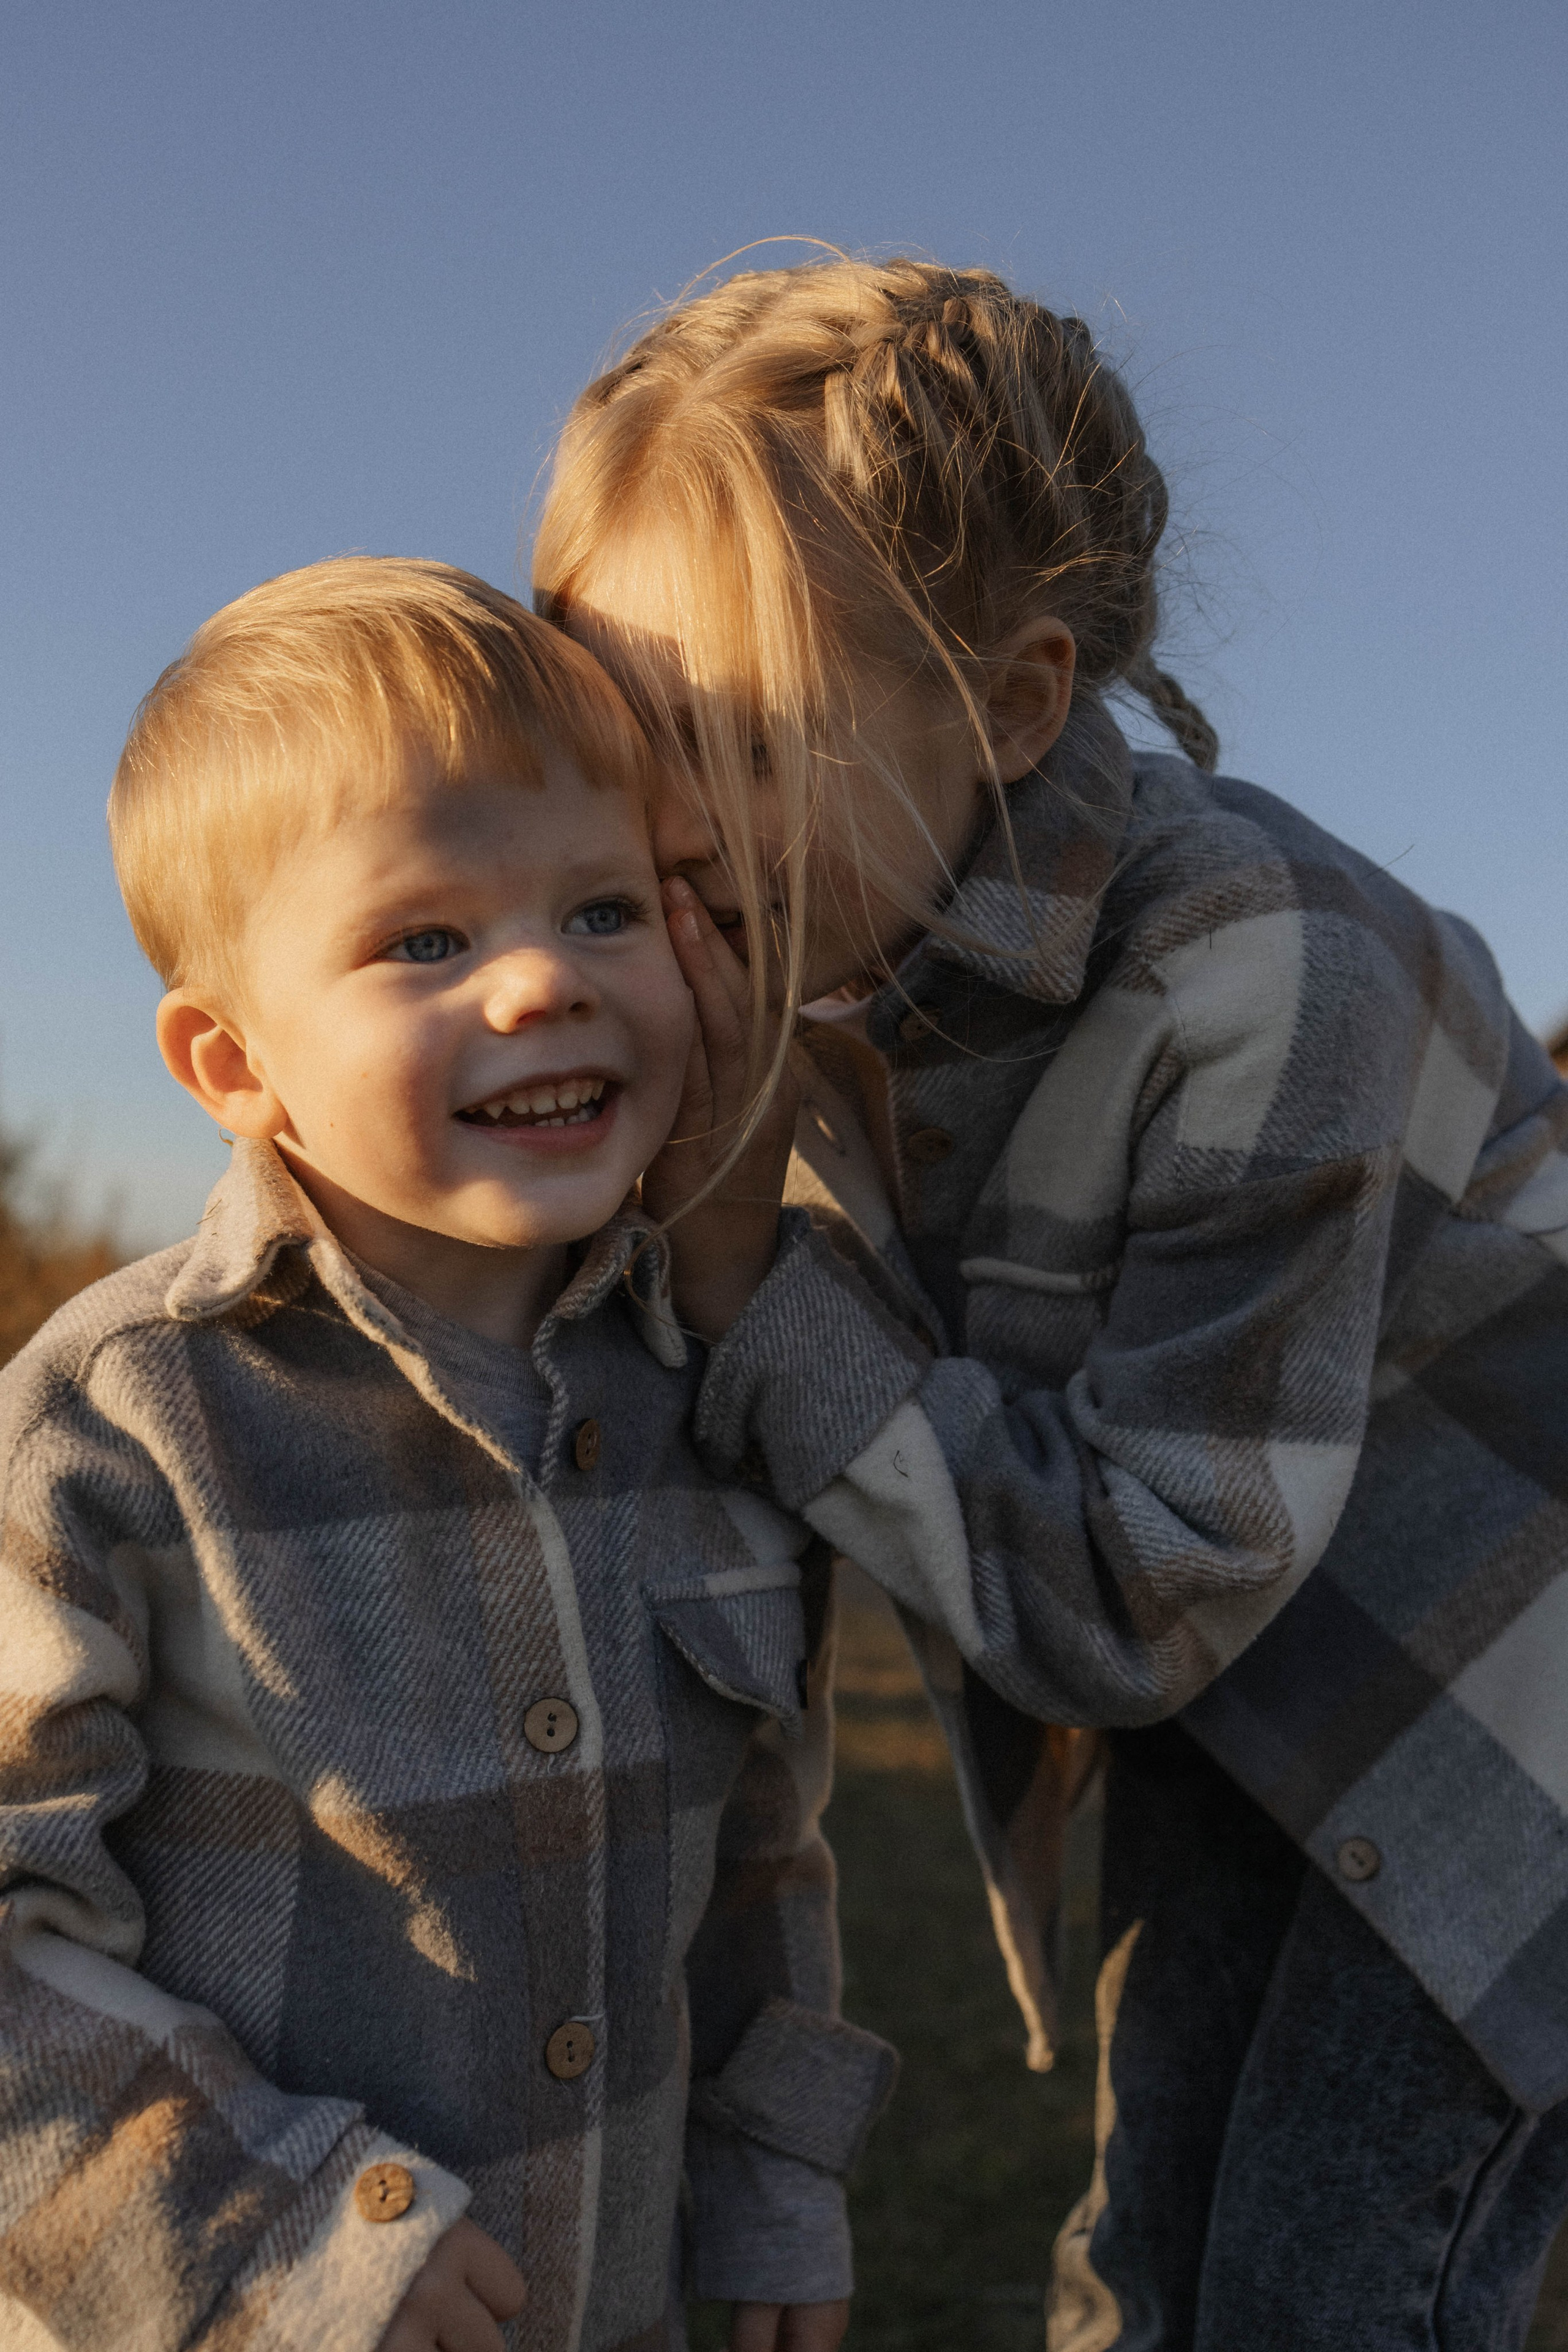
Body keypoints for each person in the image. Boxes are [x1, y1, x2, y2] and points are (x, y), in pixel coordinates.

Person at [532, 255, 1568, 2349]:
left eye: (735, 738)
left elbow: (1143, 1584)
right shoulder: (825, 969)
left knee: (1329, 2292)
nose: (664, 826)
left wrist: (763, 1291)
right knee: (1137, 2263)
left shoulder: (1262, 972)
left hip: (1502, 1729)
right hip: (1260, 1707)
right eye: (619, 738)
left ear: (1006, 701)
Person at [0, 559, 894, 2352]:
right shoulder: (114, 1429)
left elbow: (763, 1852)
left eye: (603, 911)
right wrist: (272, 2237)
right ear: (235, 1064)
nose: (537, 987)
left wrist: (778, 2179)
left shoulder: (706, 1398)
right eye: (428, 941)